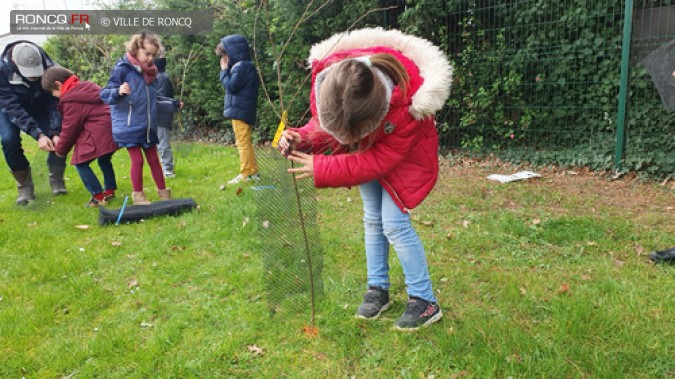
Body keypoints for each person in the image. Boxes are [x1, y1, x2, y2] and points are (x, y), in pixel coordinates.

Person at [278, 28, 452, 331]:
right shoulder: (335, 83)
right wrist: (300, 138)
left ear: (374, 115)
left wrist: (323, 169)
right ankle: (377, 289)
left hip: (404, 161)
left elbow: (378, 161)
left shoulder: (408, 104)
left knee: (394, 224)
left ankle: (425, 301)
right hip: (363, 153)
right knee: (372, 219)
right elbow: (322, 127)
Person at [100, 32, 181, 205]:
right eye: (147, 54)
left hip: (147, 125)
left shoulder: (150, 74)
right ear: (136, 49)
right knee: (137, 160)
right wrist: (118, 91)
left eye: (154, 55)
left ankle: (164, 193)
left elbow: (154, 100)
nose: (151, 58)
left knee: (154, 159)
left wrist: (172, 104)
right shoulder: (123, 69)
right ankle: (139, 196)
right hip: (129, 126)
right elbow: (105, 94)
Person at [0, 40, 67, 205]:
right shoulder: (2, 72)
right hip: (11, 108)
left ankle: (57, 179)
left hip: (42, 105)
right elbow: (12, 107)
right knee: (9, 140)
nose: (33, 76)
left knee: (62, 134)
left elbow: (55, 102)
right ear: (15, 62)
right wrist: (38, 134)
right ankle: (24, 187)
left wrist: (54, 132)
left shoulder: (50, 66)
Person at [41, 66, 118, 207]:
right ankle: (110, 190)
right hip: (113, 130)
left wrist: (60, 150)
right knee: (104, 159)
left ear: (58, 84)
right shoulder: (87, 86)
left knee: (80, 163)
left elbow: (70, 129)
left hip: (98, 133)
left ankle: (98, 197)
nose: (53, 95)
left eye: (53, 91)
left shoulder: (71, 100)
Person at [215, 35, 260, 184]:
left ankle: (246, 173)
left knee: (242, 142)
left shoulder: (241, 67)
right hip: (242, 109)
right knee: (244, 140)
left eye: (226, 54)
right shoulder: (244, 66)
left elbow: (231, 86)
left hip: (241, 110)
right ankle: (253, 172)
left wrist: (223, 71)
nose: (225, 58)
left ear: (233, 52)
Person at [153, 56, 176, 178]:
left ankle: (168, 170)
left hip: (162, 115)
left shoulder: (160, 78)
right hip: (161, 114)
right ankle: (165, 167)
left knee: (163, 142)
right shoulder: (162, 77)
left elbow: (160, 98)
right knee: (160, 142)